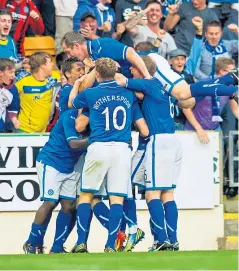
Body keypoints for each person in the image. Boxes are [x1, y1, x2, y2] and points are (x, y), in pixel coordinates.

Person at [115, 55, 196, 251]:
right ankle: (172, 240)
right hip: (172, 140)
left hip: (158, 141)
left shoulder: (149, 84)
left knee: (152, 193)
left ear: (140, 68)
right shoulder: (163, 87)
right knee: (167, 193)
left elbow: (119, 80)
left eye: (133, 67)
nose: (130, 70)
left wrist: (102, 67)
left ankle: (160, 239)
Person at [69, 58, 148, 253]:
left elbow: (72, 103)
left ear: (97, 75)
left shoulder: (91, 93)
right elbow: (143, 128)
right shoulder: (128, 95)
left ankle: (81, 242)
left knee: (86, 194)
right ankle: (110, 245)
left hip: (99, 146)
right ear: (115, 74)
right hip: (121, 148)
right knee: (117, 198)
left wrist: (77, 84)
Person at [23, 108, 89, 254]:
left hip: (71, 166)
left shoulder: (94, 122)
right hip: (51, 162)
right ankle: (32, 243)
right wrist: (96, 139)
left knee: (69, 206)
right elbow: (73, 143)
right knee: (50, 203)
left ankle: (57, 247)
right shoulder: (69, 117)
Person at [183, 57, 238, 144]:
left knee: (219, 156)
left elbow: (235, 109)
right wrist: (199, 129)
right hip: (193, 129)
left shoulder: (230, 87)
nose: (236, 76)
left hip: (214, 129)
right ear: (222, 71)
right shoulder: (205, 84)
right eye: (233, 72)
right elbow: (186, 108)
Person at [61, 31, 151, 79]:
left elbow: (130, 52)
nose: (69, 56)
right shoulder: (91, 55)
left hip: (149, 64)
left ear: (76, 46)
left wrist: (147, 76)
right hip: (135, 74)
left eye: (68, 52)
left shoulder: (101, 46)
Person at [15, 52, 58, 133]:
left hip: (44, 132)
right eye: (49, 62)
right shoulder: (22, 82)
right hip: (24, 131)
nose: (52, 64)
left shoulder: (53, 81)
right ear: (42, 65)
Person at [0, 58, 20, 132]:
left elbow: (12, 110)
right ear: (1, 73)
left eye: (14, 72)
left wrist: (14, 120)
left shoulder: (13, 90)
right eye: (11, 72)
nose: (13, 76)